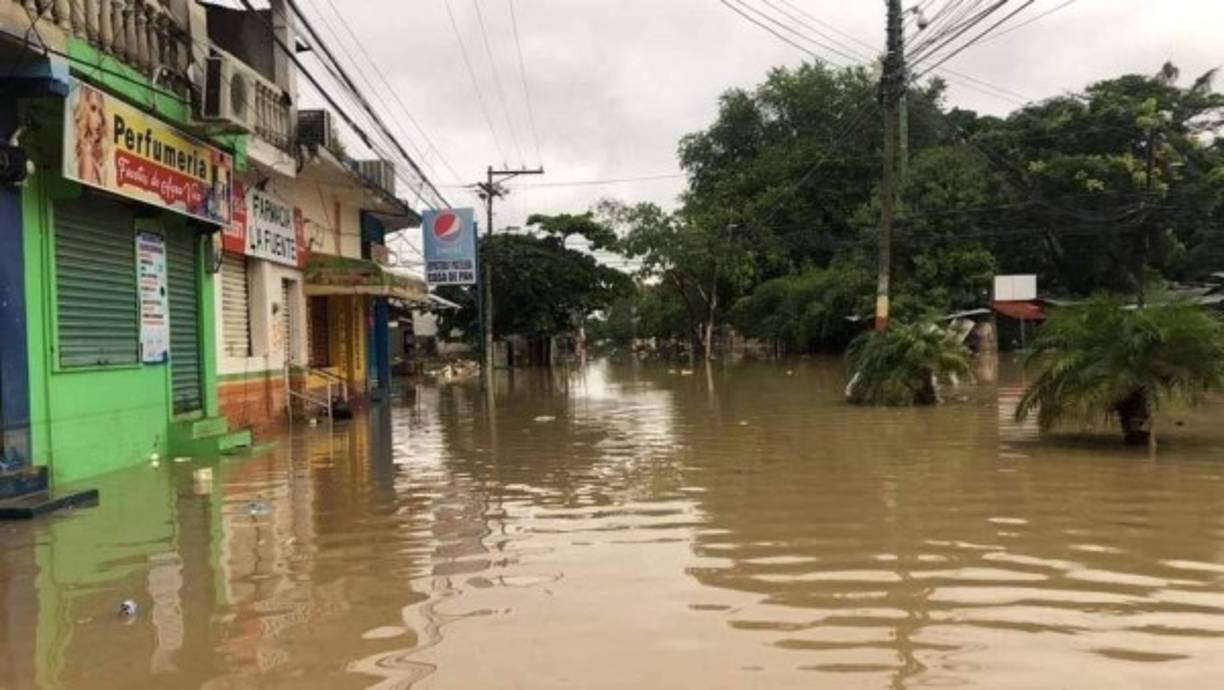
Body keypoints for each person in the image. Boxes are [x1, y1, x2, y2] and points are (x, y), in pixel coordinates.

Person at [72, 85, 109, 186]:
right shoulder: (87, 157)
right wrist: (102, 183)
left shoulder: (89, 154)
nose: (99, 120)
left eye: (100, 113)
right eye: (93, 109)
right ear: (84, 109)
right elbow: (86, 195)